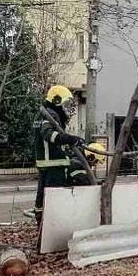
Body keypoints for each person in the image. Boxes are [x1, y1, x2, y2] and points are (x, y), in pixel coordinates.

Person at [33, 85, 85, 223]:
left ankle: (42, 232)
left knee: (41, 201)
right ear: (57, 100)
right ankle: (54, 228)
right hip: (55, 166)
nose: (66, 107)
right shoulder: (52, 114)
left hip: (45, 165)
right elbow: (48, 133)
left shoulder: (41, 114)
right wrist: (70, 139)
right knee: (55, 203)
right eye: (65, 103)